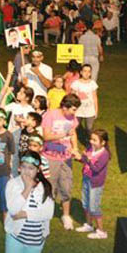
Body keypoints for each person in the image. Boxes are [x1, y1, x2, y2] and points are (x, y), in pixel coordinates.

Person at [0, 152, 54, 253]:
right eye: (24, 167)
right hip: (15, 237)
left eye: (31, 168)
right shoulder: (13, 184)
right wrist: (27, 188)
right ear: (19, 168)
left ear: (38, 170)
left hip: (36, 239)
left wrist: (25, 214)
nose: (27, 172)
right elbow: (13, 209)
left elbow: (48, 212)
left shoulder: (45, 187)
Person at [41, 93, 81, 230]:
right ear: (65, 107)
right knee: (50, 187)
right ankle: (45, 215)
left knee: (66, 187)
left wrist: (75, 148)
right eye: (73, 109)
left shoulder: (73, 118)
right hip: (50, 157)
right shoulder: (50, 115)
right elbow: (46, 136)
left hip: (66, 158)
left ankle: (66, 215)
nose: (75, 113)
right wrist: (63, 134)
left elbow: (73, 133)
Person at [74, 129, 110, 239]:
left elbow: (96, 169)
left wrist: (87, 159)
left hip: (95, 183)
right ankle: (89, 225)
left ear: (103, 142)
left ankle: (101, 231)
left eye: (94, 140)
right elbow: (84, 160)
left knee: (94, 207)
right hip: (86, 179)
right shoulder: (90, 148)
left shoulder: (104, 154)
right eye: (91, 139)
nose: (91, 142)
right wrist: (79, 157)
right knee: (85, 203)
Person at [71, 64, 99, 144]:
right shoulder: (76, 83)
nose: (87, 73)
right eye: (85, 71)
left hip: (90, 110)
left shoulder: (92, 83)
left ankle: (90, 143)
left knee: (89, 128)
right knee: (75, 126)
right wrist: (72, 108)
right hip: (78, 110)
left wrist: (96, 110)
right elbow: (72, 97)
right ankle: (73, 142)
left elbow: (95, 97)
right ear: (81, 72)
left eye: (89, 71)